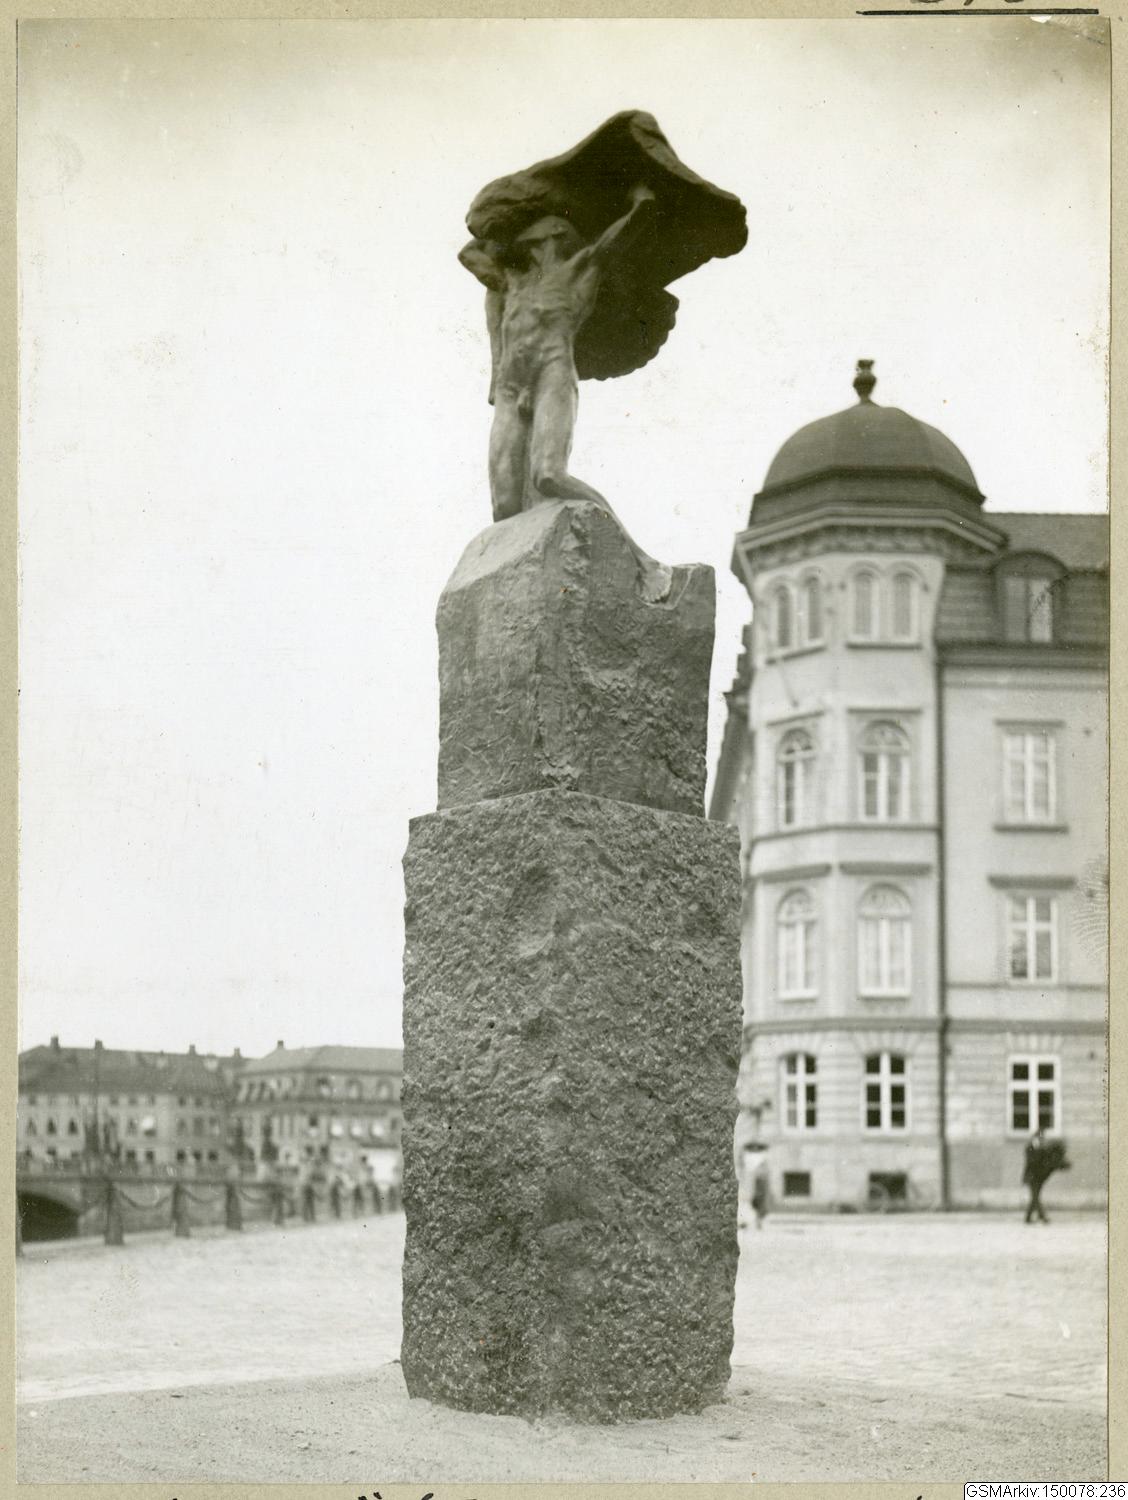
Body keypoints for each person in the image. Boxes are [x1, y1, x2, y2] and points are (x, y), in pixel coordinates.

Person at [459, 186, 672, 604]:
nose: (527, 240)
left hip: (551, 373)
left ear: (552, 237)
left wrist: (640, 205)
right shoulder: (511, 280)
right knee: (505, 507)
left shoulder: (579, 269)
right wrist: (504, 224)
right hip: (511, 385)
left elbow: (615, 240)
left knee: (549, 476)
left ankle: (643, 562)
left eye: (534, 233)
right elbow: (469, 253)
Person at [1023, 1126, 1070, 1224]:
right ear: (1034, 1138)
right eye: (1038, 1138)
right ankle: (1042, 1216)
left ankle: (1028, 1218)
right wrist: (1039, 1153)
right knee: (1035, 1196)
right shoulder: (1029, 1148)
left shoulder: (1042, 1149)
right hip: (1031, 1176)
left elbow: (1044, 1161)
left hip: (1039, 1177)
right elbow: (1031, 1162)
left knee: (1035, 1197)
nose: (1040, 1140)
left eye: (1041, 1138)